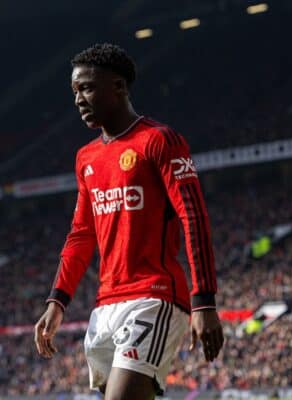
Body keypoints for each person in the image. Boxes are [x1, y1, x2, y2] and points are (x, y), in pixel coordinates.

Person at [34, 43, 224, 400]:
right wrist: (56, 302)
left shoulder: (159, 140)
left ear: (119, 87)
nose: (78, 99)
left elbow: (193, 216)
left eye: (87, 88)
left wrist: (204, 301)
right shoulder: (86, 158)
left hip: (153, 296)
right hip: (105, 305)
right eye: (75, 91)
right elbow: (80, 234)